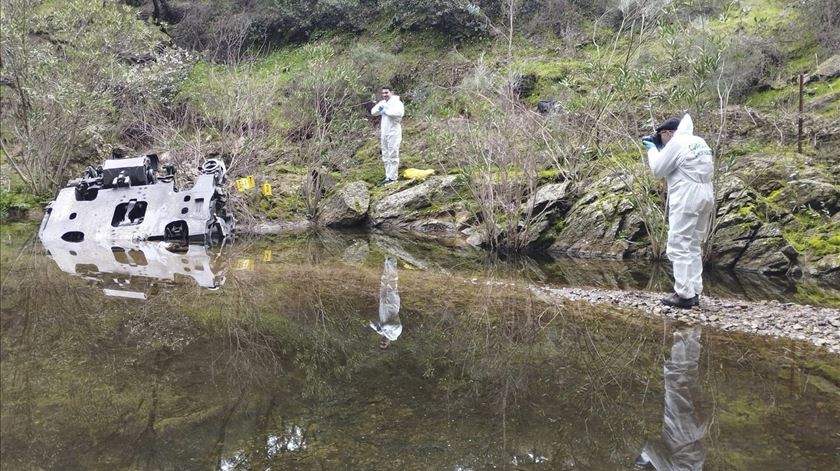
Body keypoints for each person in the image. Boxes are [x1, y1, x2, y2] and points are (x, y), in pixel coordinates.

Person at [644, 114, 714, 309]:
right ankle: (695, 290)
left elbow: (658, 169)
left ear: (668, 133)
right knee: (693, 243)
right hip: (706, 194)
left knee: (678, 244)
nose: (662, 142)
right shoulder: (699, 141)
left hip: (687, 196)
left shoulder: (677, 142)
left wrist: (652, 149)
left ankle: (683, 294)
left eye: (661, 138)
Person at [635, 327, 707, 470]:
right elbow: (649, 447)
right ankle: (683, 331)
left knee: (690, 374)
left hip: (698, 429)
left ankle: (694, 333)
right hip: (681, 429)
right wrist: (641, 460)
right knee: (676, 376)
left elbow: (700, 452)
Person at [370, 86, 405, 185]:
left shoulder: (397, 103)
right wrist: (380, 109)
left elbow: (400, 113)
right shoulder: (382, 103)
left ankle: (393, 178)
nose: (384, 95)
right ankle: (387, 176)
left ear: (392, 92)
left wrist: (386, 111)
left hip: (394, 131)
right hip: (384, 131)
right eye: (383, 93)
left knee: (393, 153)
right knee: (385, 154)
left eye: (386, 93)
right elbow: (373, 112)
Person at [370, 257, 402, 349]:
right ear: (388, 344)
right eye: (384, 344)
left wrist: (375, 327)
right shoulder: (395, 334)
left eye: (381, 343)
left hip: (383, 304)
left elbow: (373, 323)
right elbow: (396, 326)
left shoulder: (382, 332)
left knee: (384, 282)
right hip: (392, 305)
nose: (382, 342)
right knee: (392, 283)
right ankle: (392, 261)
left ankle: (386, 263)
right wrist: (383, 327)